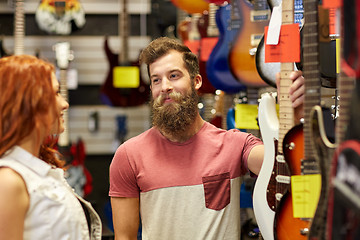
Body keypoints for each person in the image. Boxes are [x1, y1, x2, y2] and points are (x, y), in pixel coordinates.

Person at [109, 37, 305, 239]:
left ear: (196, 82)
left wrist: (297, 117)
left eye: (174, 76)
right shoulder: (128, 156)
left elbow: (287, 166)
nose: (165, 86)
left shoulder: (234, 144)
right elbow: (124, 237)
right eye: (156, 80)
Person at [0, 55, 102, 240]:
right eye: (55, 93)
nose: (65, 103)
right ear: (28, 102)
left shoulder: (38, 170)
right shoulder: (9, 180)